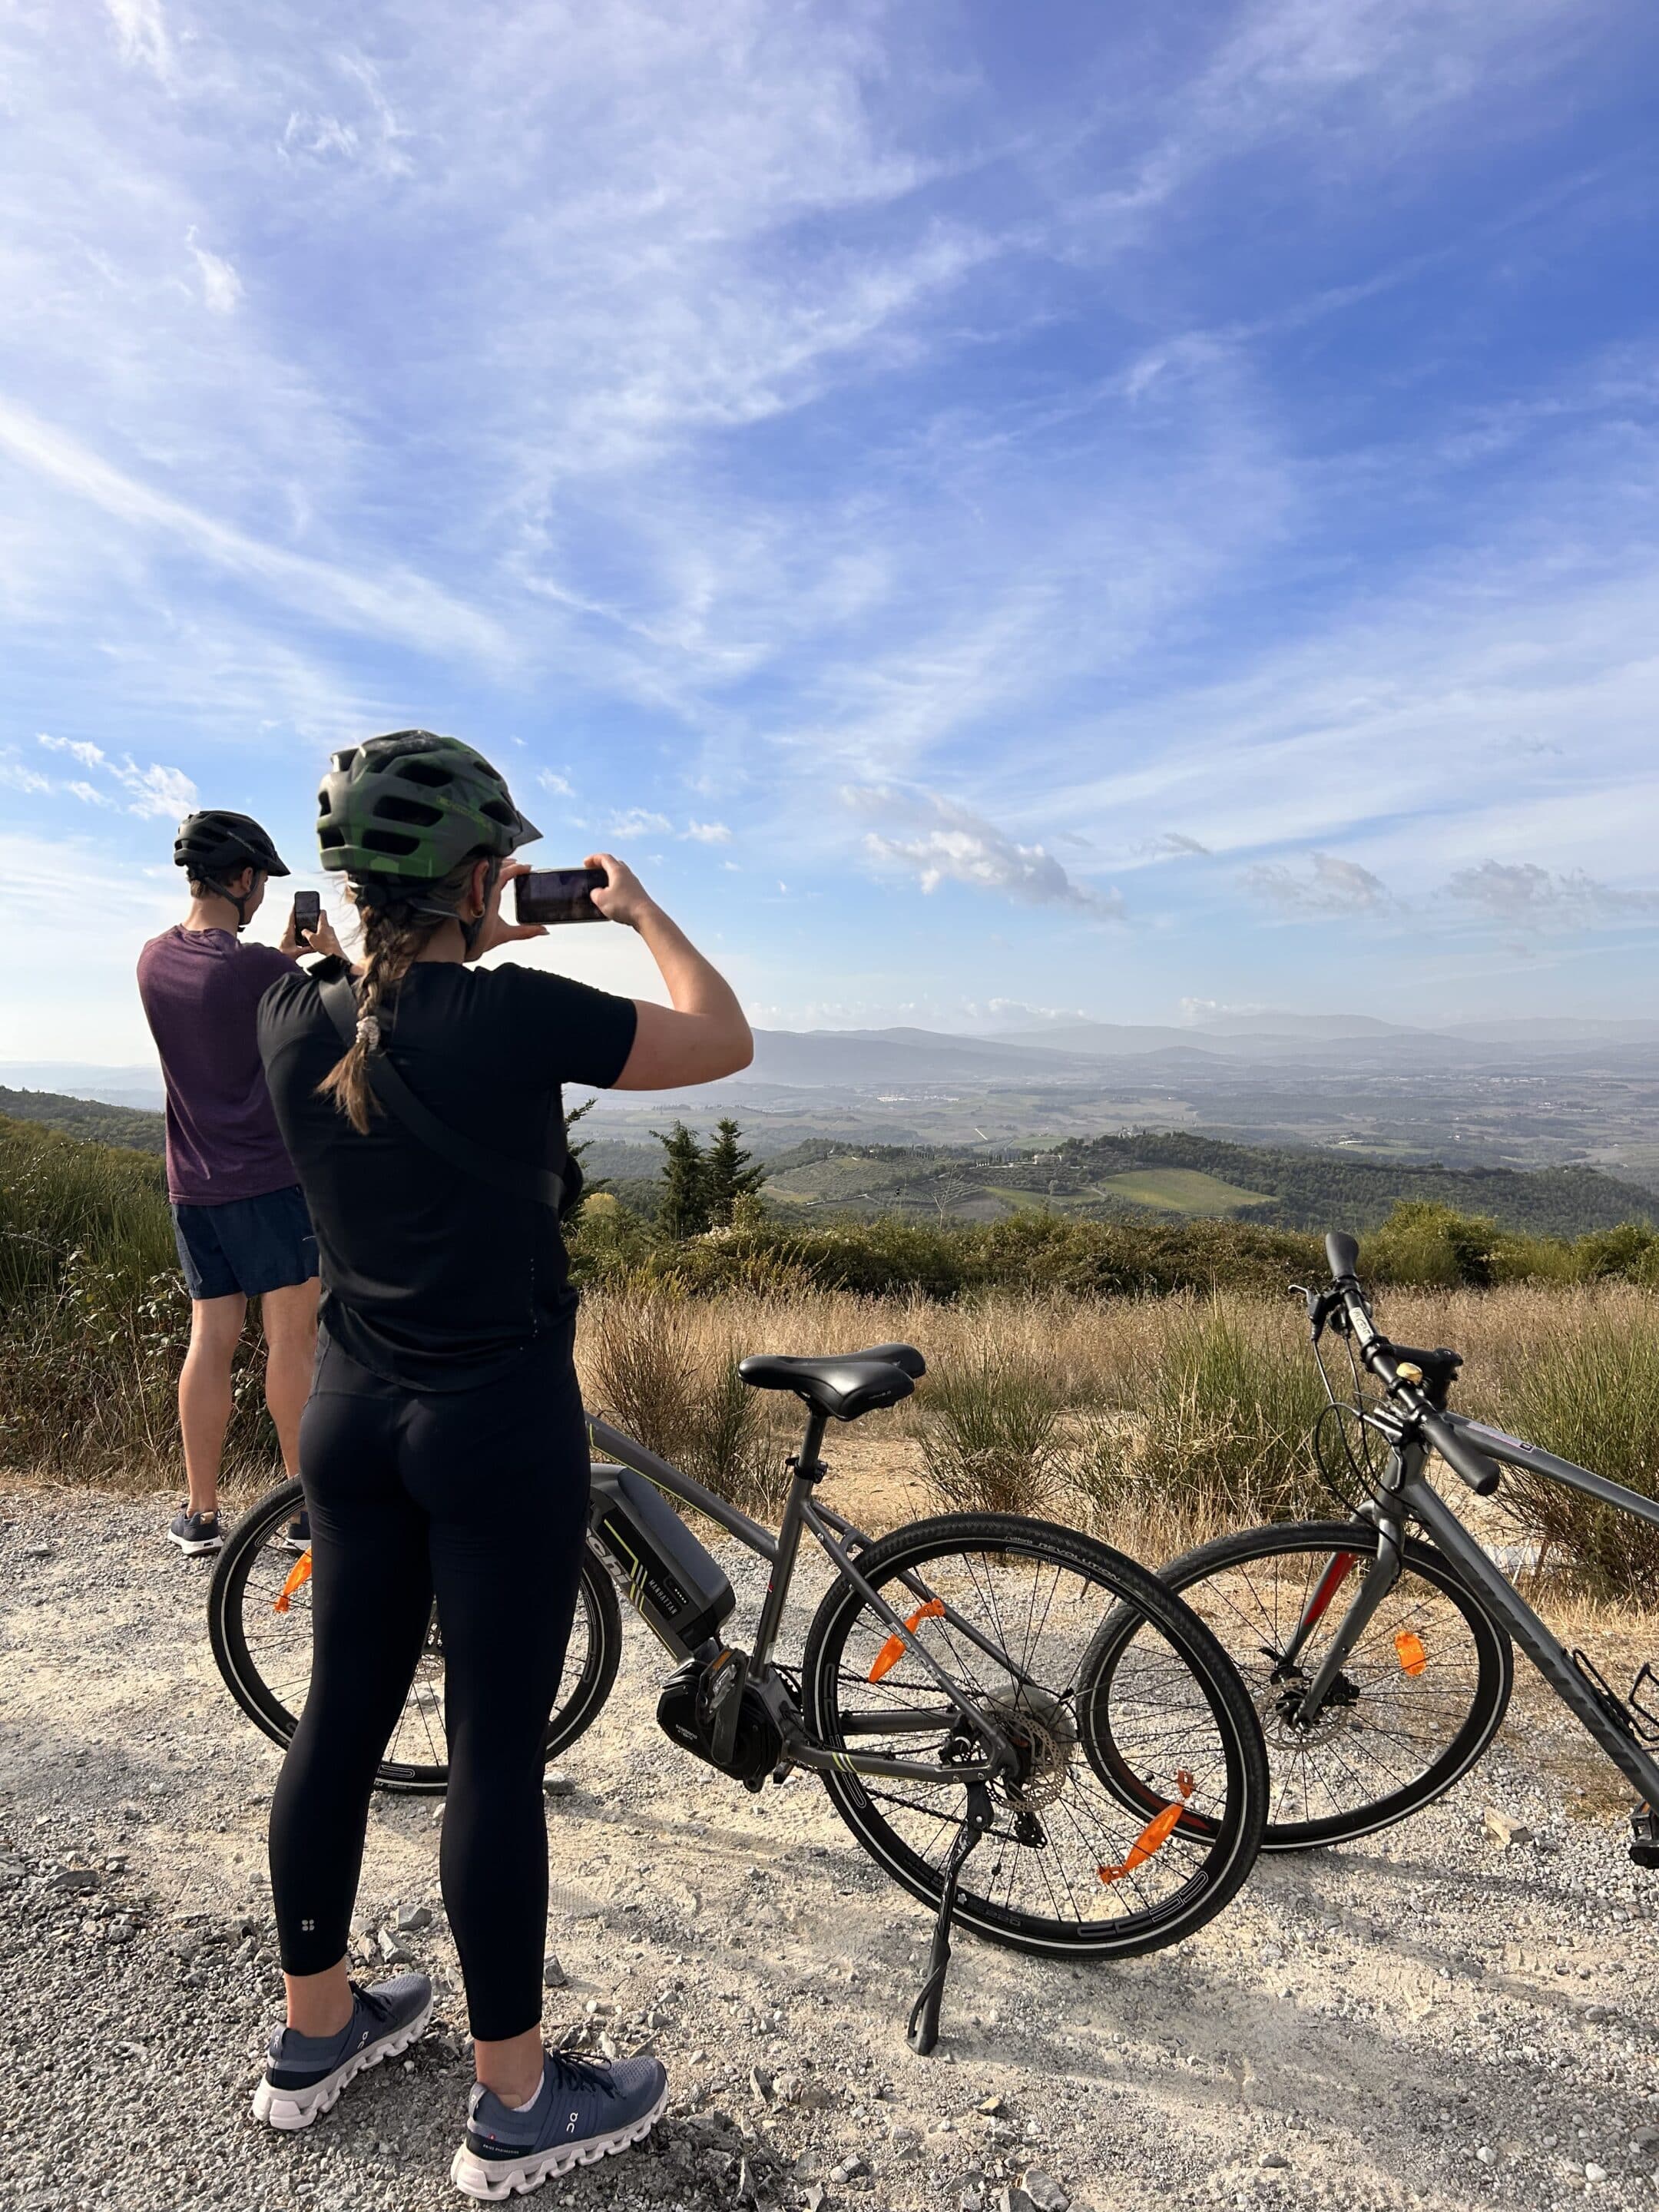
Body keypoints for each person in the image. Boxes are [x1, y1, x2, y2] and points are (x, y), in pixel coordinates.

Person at [251, 730, 752, 2198]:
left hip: (351, 1415)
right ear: (480, 876)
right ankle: (516, 2099)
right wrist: (634, 908)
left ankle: (315, 2030)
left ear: (348, 886)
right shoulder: (516, 1017)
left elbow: (349, 963)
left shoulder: (288, 1016)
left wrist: (452, 912)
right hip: (498, 1427)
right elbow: (717, 1036)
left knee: (338, 1718)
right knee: (490, 1756)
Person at [137, 811, 336, 1555]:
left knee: (210, 1338)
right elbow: (328, 1008)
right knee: (291, 1339)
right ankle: (303, 1509)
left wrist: (275, 954)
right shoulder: (261, 972)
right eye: (262, 884)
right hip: (269, 1182)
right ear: (245, 878)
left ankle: (199, 1514)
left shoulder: (152, 961)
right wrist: (329, 955)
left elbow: (223, 992)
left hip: (193, 1185)